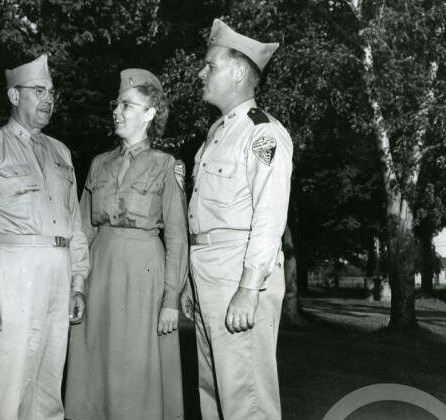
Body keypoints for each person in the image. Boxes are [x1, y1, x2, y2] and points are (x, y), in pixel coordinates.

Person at [0, 53, 89, 420]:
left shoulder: (61, 153)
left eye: (52, 92)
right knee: (4, 389)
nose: (48, 99)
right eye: (38, 91)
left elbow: (74, 224)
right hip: (10, 275)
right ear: (14, 96)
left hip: (58, 275)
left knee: (48, 389)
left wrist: (78, 281)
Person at [180, 19, 293, 420]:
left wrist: (249, 287)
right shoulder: (216, 133)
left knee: (247, 400)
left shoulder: (262, 133)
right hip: (209, 271)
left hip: (239, 272)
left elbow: (269, 215)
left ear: (240, 71)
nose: (201, 72)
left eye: (210, 65)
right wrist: (192, 283)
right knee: (213, 393)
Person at [64, 69, 188, 420]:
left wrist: (171, 300)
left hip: (143, 277)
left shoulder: (167, 165)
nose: (116, 111)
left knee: (137, 371)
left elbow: (177, 236)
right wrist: (78, 285)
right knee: (95, 366)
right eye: (116, 104)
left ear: (150, 113)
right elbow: (83, 230)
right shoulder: (99, 163)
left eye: (127, 105)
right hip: (99, 273)